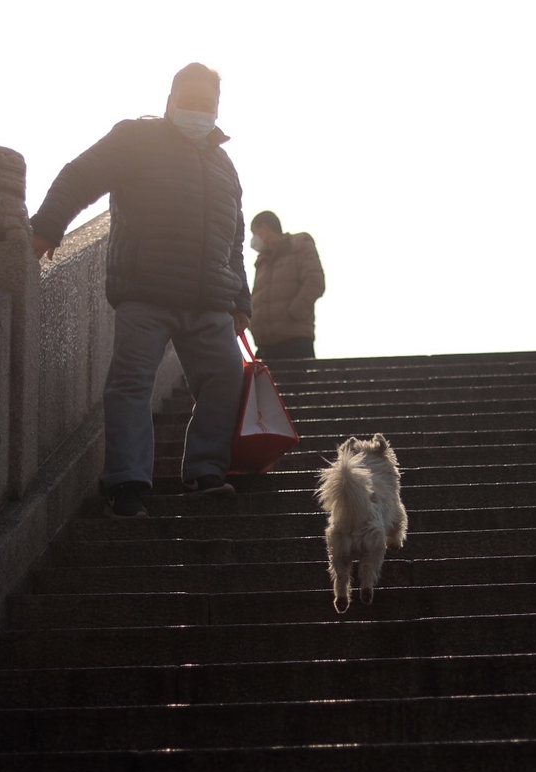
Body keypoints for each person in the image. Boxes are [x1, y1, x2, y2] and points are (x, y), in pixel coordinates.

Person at [31, 63, 251, 519]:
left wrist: (241, 301)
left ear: (218, 108)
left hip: (210, 300)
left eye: (206, 104)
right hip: (146, 291)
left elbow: (234, 239)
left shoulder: (224, 165)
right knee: (132, 386)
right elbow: (80, 175)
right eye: (189, 102)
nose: (198, 111)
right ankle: (126, 484)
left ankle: (205, 470)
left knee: (226, 378)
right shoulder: (136, 138)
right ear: (169, 102)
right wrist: (49, 225)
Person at [248, 211, 325, 361]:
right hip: (265, 347)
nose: (253, 240)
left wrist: (295, 312)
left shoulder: (299, 246)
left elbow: (315, 281)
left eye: (254, 232)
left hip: (295, 342)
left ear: (264, 229)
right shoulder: (262, 260)